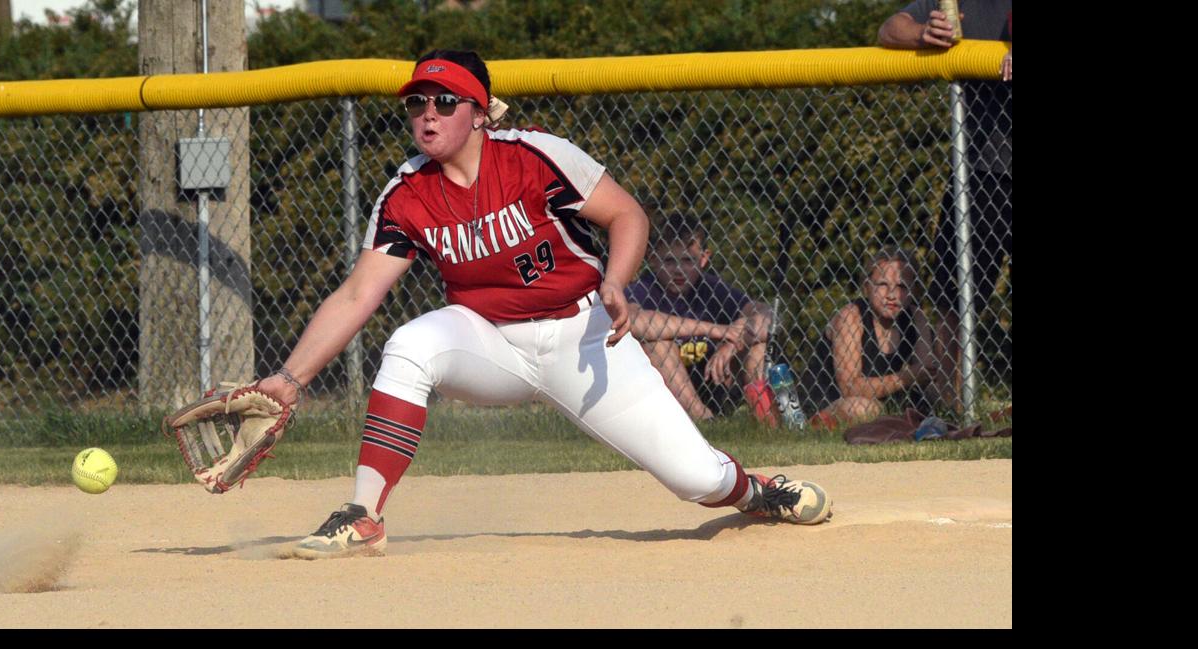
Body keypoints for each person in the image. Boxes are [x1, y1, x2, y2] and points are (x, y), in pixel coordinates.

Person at [249, 49, 831, 558]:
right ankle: (363, 514)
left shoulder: (534, 156)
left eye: (445, 100)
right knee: (410, 345)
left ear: (479, 112)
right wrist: (291, 378)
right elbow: (357, 293)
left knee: (695, 478)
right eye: (417, 102)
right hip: (490, 340)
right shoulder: (406, 193)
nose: (427, 112)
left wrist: (617, 282)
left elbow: (627, 214)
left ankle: (758, 492)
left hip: (584, 336)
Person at [877, 2, 1012, 398]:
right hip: (980, 173)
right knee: (953, 301)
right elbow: (889, 28)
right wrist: (923, 34)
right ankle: (950, 408)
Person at [626, 214, 774, 423]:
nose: (678, 269)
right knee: (658, 344)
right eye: (669, 260)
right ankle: (704, 422)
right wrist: (717, 330)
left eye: (687, 260)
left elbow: (767, 316)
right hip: (664, 394)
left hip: (714, 380)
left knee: (757, 345)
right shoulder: (643, 290)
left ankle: (766, 423)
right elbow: (637, 322)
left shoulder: (710, 287)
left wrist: (733, 344)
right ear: (652, 259)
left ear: (703, 259)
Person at [808, 249, 954, 427]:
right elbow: (849, 388)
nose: (892, 294)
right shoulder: (851, 317)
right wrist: (905, 378)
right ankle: (816, 425)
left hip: (882, 403)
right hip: (834, 402)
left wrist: (938, 395)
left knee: (933, 406)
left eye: (902, 286)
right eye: (883, 284)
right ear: (867, 286)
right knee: (863, 408)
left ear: (914, 290)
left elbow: (926, 374)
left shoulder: (916, 317)